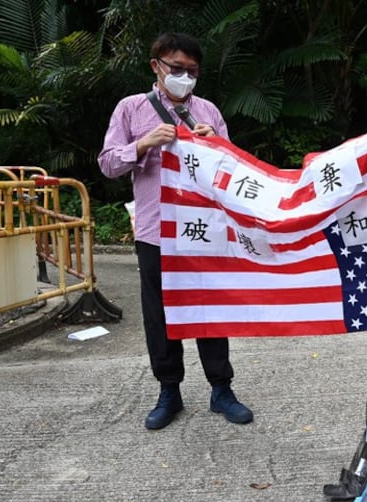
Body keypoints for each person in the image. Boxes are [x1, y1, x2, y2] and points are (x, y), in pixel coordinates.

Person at [98, 32, 253, 430]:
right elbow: (108, 164)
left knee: (210, 309)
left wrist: (216, 144)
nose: (185, 76)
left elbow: (233, 172)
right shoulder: (131, 109)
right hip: (155, 230)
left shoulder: (209, 111)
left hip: (203, 230)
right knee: (160, 314)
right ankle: (169, 391)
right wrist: (144, 143)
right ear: (156, 66)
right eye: (176, 69)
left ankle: (222, 389)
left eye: (192, 71)